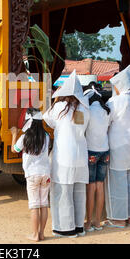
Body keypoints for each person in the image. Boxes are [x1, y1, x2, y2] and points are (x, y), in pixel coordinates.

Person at [43, 70, 89, 238]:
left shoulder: (59, 107)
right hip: (81, 155)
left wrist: (55, 100)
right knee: (78, 192)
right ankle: (78, 226)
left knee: (62, 193)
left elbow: (46, 120)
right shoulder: (85, 108)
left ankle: (65, 228)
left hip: (64, 155)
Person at [105, 65, 130, 228]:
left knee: (118, 184)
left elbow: (107, 121)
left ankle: (118, 219)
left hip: (118, 147)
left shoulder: (115, 101)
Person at [10, 109, 51, 242]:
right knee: (44, 204)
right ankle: (41, 233)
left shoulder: (25, 137)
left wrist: (14, 134)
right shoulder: (46, 136)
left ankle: (34, 235)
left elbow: (14, 149)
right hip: (46, 174)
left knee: (34, 206)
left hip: (32, 175)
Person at [83, 86, 111, 232]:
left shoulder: (87, 112)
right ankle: (98, 221)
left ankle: (88, 222)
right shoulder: (106, 111)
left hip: (91, 151)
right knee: (100, 185)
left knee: (90, 186)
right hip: (105, 150)